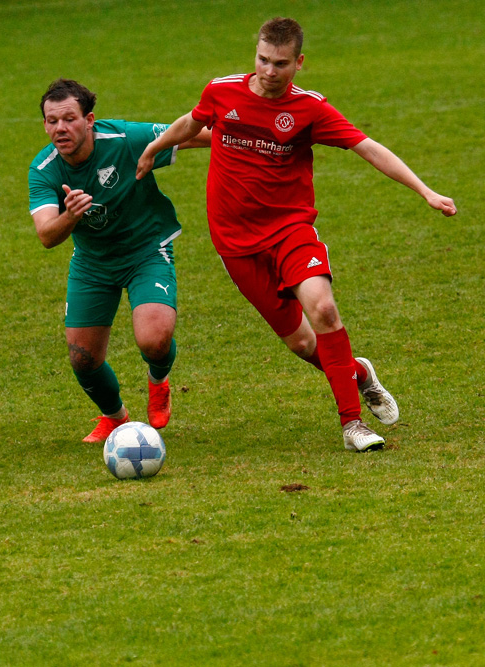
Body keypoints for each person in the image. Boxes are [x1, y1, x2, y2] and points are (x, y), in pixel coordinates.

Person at [136, 17, 457, 452]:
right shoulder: (222, 91)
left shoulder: (310, 109)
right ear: (255, 55)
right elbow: (192, 123)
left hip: (290, 230)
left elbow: (367, 147)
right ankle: (358, 374)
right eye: (263, 60)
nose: (269, 71)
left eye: (281, 64)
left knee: (323, 310)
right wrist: (154, 149)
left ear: (299, 62)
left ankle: (352, 425)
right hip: (235, 244)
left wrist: (424, 190)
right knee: (304, 344)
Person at [28, 79, 210, 443]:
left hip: (146, 249)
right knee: (82, 358)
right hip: (93, 264)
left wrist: (245, 138)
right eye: (52, 121)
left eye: (69, 119)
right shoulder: (44, 169)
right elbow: (47, 235)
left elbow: (188, 134)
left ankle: (158, 381)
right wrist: (71, 216)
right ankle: (115, 418)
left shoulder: (124, 139)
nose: (60, 128)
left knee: (154, 340)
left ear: (90, 119)